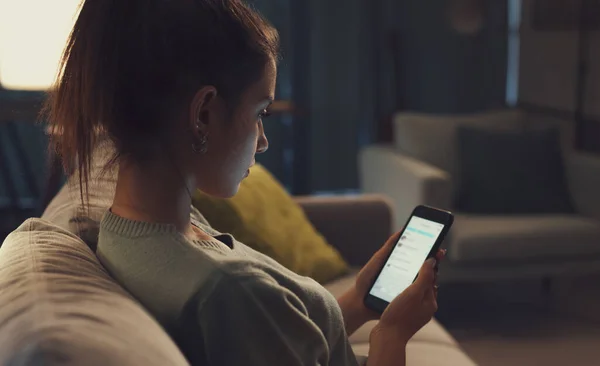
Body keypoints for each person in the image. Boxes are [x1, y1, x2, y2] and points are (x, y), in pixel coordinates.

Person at [45, 0, 444, 365]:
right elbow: (256, 317)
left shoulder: (130, 232)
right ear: (203, 114)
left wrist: (360, 301)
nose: (264, 141)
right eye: (261, 113)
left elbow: (274, 339)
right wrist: (392, 334)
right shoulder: (230, 290)